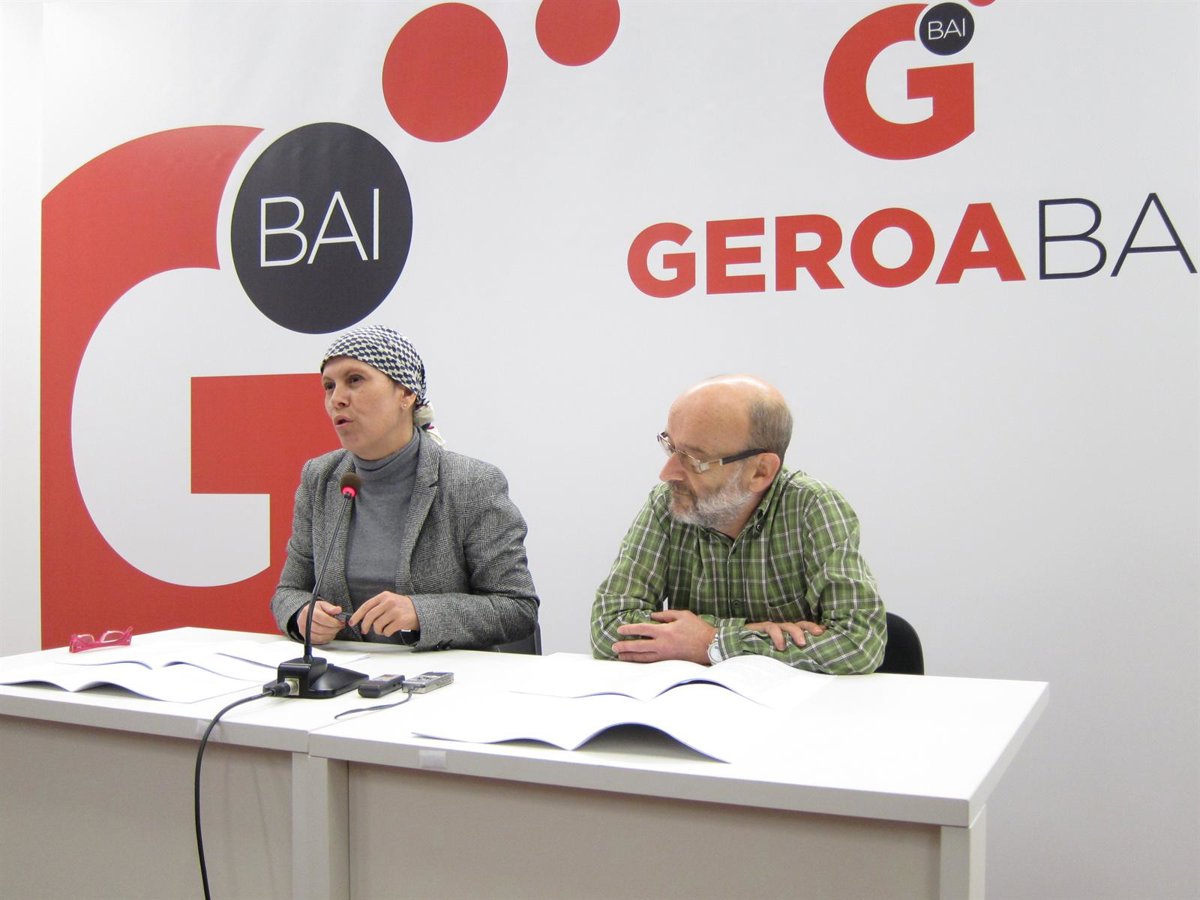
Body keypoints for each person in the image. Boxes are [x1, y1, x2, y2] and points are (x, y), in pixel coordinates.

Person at [591, 375, 885, 674]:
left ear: (760, 471)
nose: (667, 473)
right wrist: (745, 634)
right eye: (670, 447)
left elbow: (860, 641)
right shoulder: (667, 503)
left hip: (789, 701)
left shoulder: (813, 507)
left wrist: (713, 641)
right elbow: (608, 626)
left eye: (695, 460)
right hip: (691, 698)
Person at [270, 325, 538, 651]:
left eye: (355, 380)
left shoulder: (472, 483)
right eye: (329, 386)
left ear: (406, 394)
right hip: (345, 672)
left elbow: (516, 608)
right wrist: (302, 614)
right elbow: (289, 591)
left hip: (443, 676)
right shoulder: (320, 477)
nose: (337, 399)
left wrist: (420, 613)